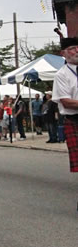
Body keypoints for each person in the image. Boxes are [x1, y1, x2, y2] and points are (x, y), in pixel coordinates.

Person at [52, 36, 78, 177]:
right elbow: (66, 102)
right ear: (64, 54)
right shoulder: (62, 74)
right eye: (72, 49)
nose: (77, 51)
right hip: (75, 121)